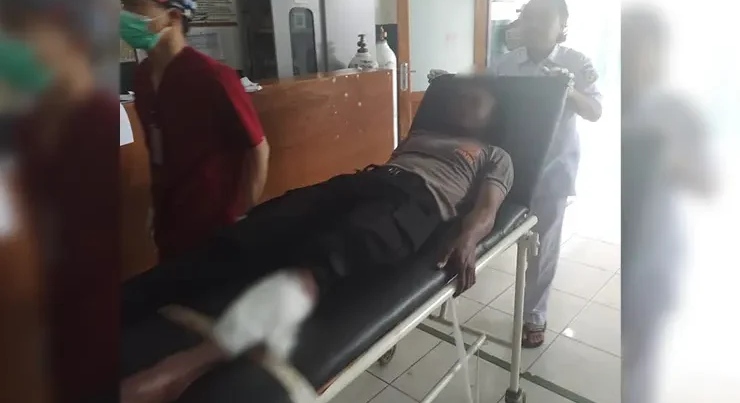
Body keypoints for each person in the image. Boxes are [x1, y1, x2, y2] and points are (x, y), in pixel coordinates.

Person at [120, 83, 513, 403]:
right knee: (255, 230)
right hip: (366, 180)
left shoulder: (495, 155)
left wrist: (468, 239)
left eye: (476, 98)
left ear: (492, 116)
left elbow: (487, 208)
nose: (464, 99)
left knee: (323, 260)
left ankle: (179, 371)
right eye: (463, 95)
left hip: (415, 202)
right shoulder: (423, 134)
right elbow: (394, 165)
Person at [0, 0, 119, 402]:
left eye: (18, 28)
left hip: (102, 343)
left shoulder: (105, 125)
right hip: (43, 340)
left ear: (72, 34)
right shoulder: (27, 131)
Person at [120, 0, 270, 261]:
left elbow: (258, 149)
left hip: (215, 230)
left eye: (134, 5)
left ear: (173, 16)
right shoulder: (143, 77)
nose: (124, 15)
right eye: (123, 4)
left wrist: (244, 215)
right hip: (171, 227)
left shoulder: (214, 78)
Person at [491, 0, 603, 348]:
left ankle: (534, 315)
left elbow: (595, 111)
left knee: (543, 247)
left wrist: (567, 90)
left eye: (543, 17)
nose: (533, 24)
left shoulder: (576, 63)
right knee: (493, 231)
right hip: (510, 168)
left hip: (553, 171)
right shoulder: (504, 65)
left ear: (562, 25)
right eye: (528, 17)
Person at [621, 4, 713, 403]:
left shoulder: (677, 110)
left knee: (639, 367)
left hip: (652, 259)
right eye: (625, 45)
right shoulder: (620, 105)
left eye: (639, 46)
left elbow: (710, 184)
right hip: (621, 253)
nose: (631, 56)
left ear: (659, 52)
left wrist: (667, 160)